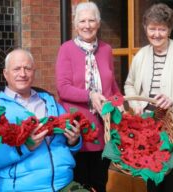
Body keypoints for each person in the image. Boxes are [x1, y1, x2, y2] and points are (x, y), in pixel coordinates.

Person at [0, 49, 86, 191]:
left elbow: (66, 145)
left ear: (34, 72)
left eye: (27, 68)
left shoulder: (49, 101)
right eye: (17, 69)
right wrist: (23, 147)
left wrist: (73, 140)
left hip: (65, 184)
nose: (23, 74)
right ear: (5, 74)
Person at [124, 3, 173, 192]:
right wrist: (136, 103)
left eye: (162, 29)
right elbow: (129, 84)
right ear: (145, 28)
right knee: (154, 186)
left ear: (169, 30)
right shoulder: (141, 55)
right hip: (151, 136)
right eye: (152, 28)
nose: (156, 34)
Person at [55, 2, 120, 192]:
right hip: (77, 131)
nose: (87, 25)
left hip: (104, 128)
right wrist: (90, 95)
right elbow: (63, 88)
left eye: (92, 20)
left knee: (100, 183)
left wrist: (120, 102)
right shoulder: (66, 49)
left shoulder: (106, 49)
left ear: (98, 24)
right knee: (79, 184)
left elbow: (112, 84)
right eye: (82, 21)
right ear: (76, 25)